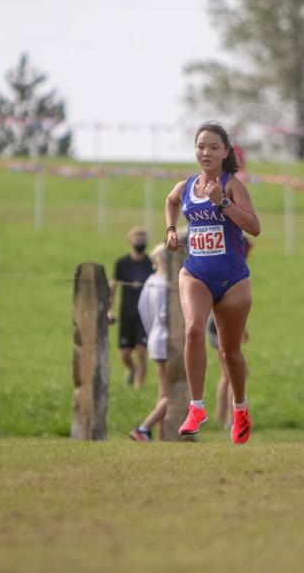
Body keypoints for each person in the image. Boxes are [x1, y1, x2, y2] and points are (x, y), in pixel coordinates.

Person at [164, 122, 261, 444]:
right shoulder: (186, 185)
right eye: (201, 146)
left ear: (225, 153)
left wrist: (223, 202)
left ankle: (240, 408)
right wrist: (170, 230)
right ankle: (196, 407)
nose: (206, 152)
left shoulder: (232, 186)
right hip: (196, 274)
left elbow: (255, 228)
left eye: (213, 147)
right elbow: (171, 201)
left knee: (229, 352)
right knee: (193, 330)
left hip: (233, 280)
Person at [210, 235, 254, 427]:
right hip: (219, 323)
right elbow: (232, 306)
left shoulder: (224, 260)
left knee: (226, 374)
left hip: (214, 323)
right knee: (234, 373)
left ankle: (219, 418)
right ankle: (230, 419)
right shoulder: (234, 267)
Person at [129, 244, 170, 441]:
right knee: (178, 391)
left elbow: (142, 309)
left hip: (154, 336)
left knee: (163, 392)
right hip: (168, 340)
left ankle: (162, 436)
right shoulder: (166, 284)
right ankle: (144, 428)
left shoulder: (151, 281)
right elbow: (166, 315)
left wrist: (151, 331)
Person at [108, 227, 153, 389]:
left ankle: (138, 387)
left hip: (145, 314)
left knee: (141, 351)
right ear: (130, 240)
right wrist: (109, 310)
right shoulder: (122, 263)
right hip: (126, 313)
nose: (140, 241)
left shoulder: (151, 263)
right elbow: (113, 288)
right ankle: (131, 369)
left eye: (142, 238)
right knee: (125, 353)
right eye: (137, 238)